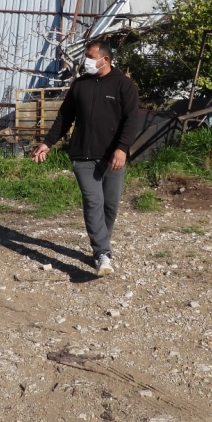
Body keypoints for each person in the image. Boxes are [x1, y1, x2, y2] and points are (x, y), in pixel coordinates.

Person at [32, 39, 142, 277]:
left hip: (113, 157)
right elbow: (64, 117)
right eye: (86, 56)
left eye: (91, 57)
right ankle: (102, 252)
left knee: (109, 206)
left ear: (106, 59)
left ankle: (102, 245)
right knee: (93, 202)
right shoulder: (80, 85)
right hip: (83, 155)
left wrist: (122, 148)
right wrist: (47, 143)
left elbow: (132, 121)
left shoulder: (124, 86)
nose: (87, 61)